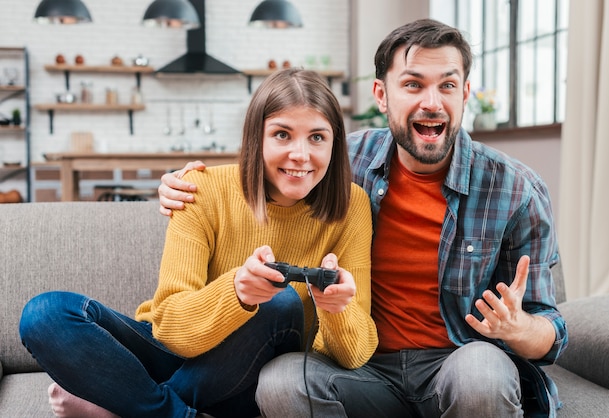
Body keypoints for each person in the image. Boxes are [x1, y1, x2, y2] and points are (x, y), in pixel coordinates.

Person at [157, 18, 568, 418]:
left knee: (481, 373)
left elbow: (550, 332)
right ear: (381, 94)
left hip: (459, 364)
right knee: (282, 381)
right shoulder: (341, 160)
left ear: (465, 93)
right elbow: (272, 165)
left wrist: (518, 328)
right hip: (361, 370)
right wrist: (189, 183)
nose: (431, 101)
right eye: (412, 84)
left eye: (447, 85)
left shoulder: (515, 190)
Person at [19, 68, 377, 418]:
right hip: (179, 352)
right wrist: (236, 293)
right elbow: (172, 332)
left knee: (279, 301)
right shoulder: (200, 188)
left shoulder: (352, 204)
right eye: (282, 134)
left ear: (334, 143)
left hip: (250, 372)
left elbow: (355, 354)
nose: (300, 154)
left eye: (317, 137)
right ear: (257, 138)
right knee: (45, 314)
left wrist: (336, 309)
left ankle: (124, 406)